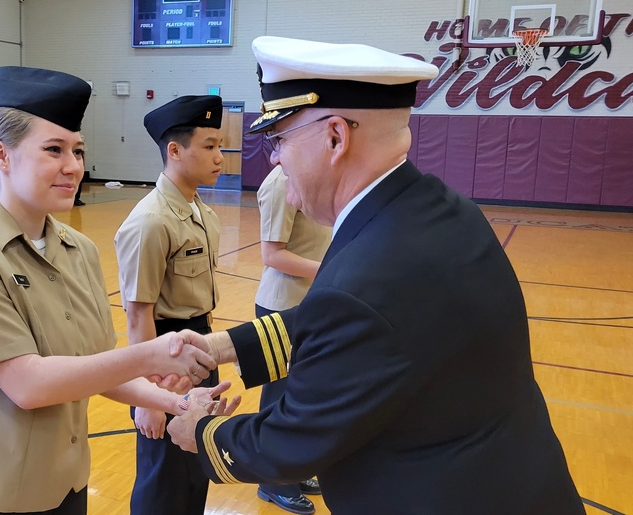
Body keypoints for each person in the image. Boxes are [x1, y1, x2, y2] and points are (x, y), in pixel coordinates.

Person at [164, 36, 585, 514]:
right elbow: (360, 332)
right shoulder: (439, 209)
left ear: (335, 137)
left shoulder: (365, 282)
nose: (276, 157)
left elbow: (291, 442)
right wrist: (226, 347)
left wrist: (200, 429)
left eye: (279, 138)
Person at [0, 65, 233, 515]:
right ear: (2, 156)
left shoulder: (78, 249)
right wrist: (153, 354)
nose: (74, 167)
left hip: (65, 484)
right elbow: (26, 384)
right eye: (53, 150)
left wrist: (177, 401)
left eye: (78, 151)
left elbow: (97, 367)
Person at [114, 95, 225, 515]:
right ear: (175, 151)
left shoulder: (200, 211)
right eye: (210, 145)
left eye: (220, 146)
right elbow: (139, 315)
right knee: (163, 480)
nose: (220, 156)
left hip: (198, 351)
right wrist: (148, 397)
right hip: (163, 360)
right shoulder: (151, 221)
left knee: (195, 469)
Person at [253, 164, 331, 515]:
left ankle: (293, 471)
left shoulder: (307, 174)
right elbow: (272, 255)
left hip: (308, 303)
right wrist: (330, 267)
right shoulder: (278, 183)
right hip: (280, 308)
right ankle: (272, 481)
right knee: (278, 399)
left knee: (302, 395)